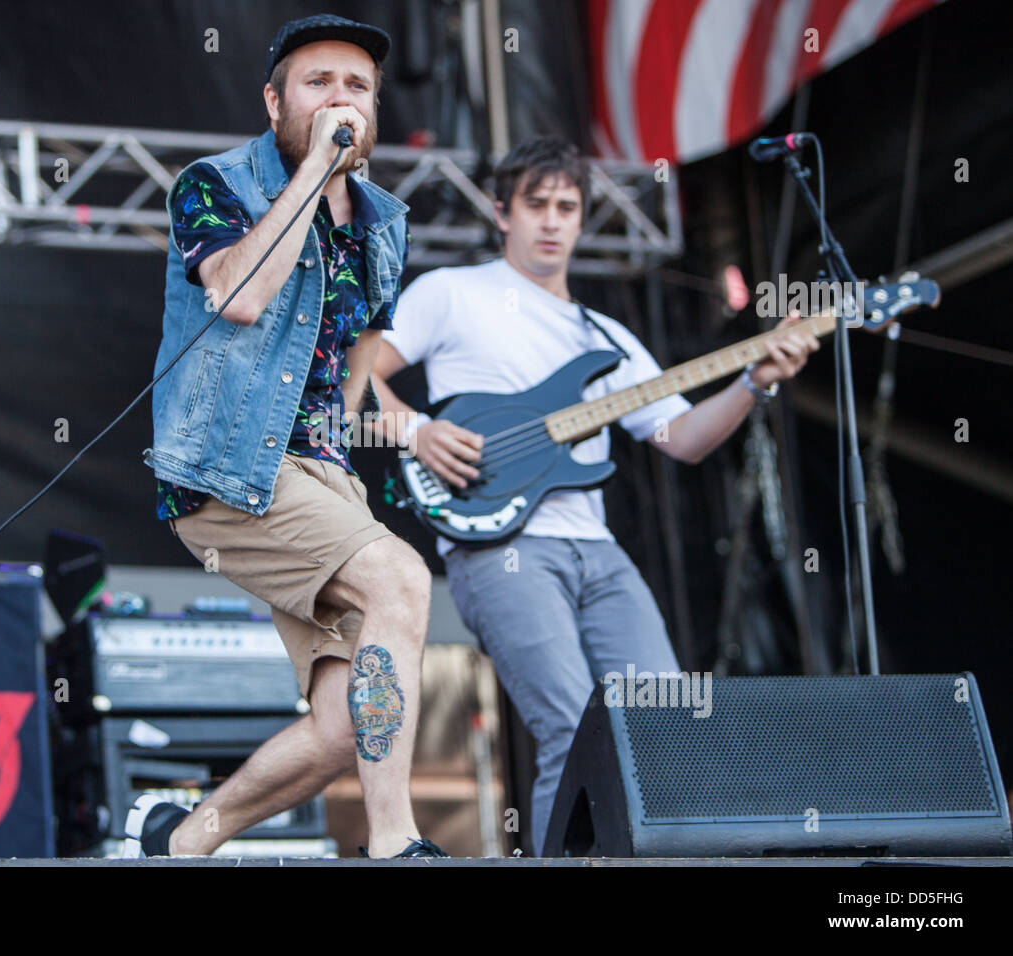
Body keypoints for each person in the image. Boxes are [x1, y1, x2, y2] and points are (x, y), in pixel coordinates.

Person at [372, 137, 818, 855]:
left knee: (666, 724)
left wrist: (754, 380)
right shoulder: (451, 293)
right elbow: (360, 374)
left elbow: (681, 438)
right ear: (500, 211)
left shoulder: (606, 337)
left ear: (583, 219)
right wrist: (416, 431)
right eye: (537, 205)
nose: (552, 221)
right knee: (573, 729)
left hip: (599, 554)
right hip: (505, 549)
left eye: (568, 207)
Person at [132, 14, 447, 859]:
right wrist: (312, 170)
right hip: (226, 464)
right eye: (318, 83)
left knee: (349, 725)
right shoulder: (213, 184)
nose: (340, 98)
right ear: (275, 101)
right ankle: (393, 842)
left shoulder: (385, 219)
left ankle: (180, 841)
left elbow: (365, 345)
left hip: (321, 473)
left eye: (357, 86)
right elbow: (237, 295)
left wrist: (350, 432)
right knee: (402, 579)